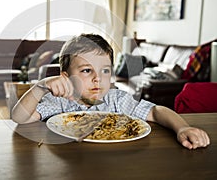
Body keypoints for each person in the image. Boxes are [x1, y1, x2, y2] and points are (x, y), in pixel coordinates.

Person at [12, 33, 210, 150]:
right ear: (66, 76)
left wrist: (182, 128)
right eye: (87, 71)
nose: (98, 79)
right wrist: (40, 87)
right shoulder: (59, 102)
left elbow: (157, 111)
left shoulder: (116, 100)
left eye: (105, 71)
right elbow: (20, 117)